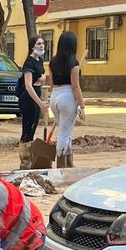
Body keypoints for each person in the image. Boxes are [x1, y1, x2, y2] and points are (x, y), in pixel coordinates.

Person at [49, 31, 86, 168]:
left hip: (55, 96)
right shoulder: (74, 63)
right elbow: (76, 87)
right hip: (67, 97)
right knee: (65, 133)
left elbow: (52, 84)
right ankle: (61, 164)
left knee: (64, 130)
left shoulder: (52, 62)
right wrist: (82, 106)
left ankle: (69, 163)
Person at [17, 35, 49, 170]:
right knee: (27, 127)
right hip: (28, 98)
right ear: (32, 46)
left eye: (42, 43)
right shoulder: (29, 62)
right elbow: (28, 85)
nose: (41, 46)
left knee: (34, 126)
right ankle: (24, 161)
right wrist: (40, 102)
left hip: (37, 94)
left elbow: (41, 79)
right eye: (38, 44)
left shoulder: (40, 61)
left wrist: (42, 79)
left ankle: (29, 160)